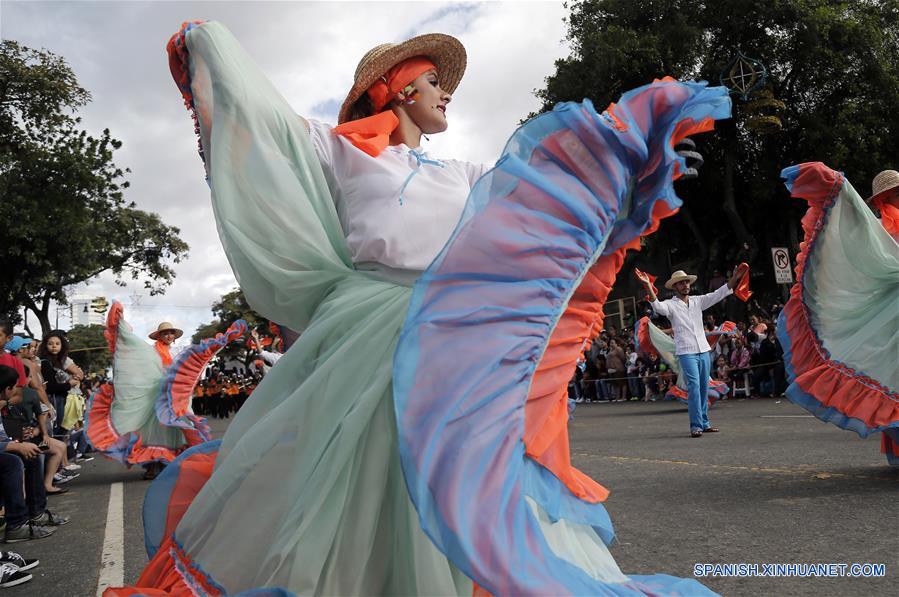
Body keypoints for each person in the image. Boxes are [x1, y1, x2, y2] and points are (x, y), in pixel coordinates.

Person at [113, 21, 731, 596]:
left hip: (451, 333)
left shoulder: (463, 174)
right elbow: (264, 123)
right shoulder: (339, 151)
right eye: (434, 81)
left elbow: (541, 201)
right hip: (367, 326)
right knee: (362, 477)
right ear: (400, 88)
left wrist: (636, 167)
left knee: (468, 464)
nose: (445, 94)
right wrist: (210, 50)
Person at [776, 163, 898, 465]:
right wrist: (836, 187)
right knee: (890, 376)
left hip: (889, 315)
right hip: (888, 316)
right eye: (893, 195)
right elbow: (857, 233)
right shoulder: (878, 230)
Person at [636, 264, 748, 437]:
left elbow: (719, 293)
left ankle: (704, 423)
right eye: (681, 283)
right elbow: (657, 307)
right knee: (695, 387)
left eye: (687, 282)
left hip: (703, 350)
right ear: (675, 287)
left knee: (703, 387)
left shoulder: (697, 301)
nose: (685, 285)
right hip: (686, 352)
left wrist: (735, 277)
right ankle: (696, 425)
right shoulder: (670, 305)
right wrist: (648, 286)